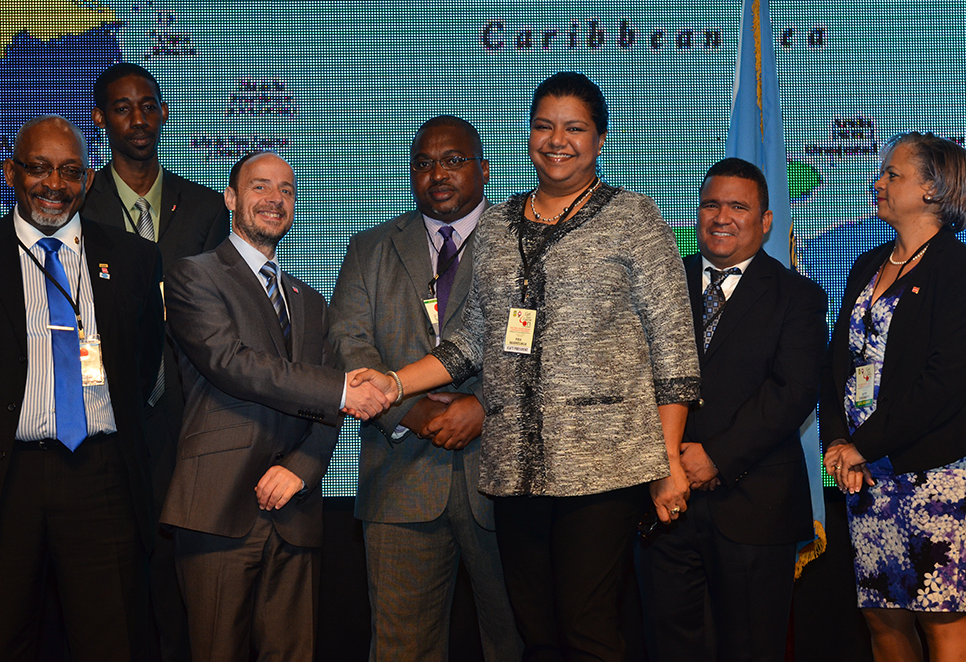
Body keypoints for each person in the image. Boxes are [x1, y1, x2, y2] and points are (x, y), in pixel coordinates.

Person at [349, 72, 700, 661]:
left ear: (600, 139)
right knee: (535, 635)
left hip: (604, 466)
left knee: (588, 631)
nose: (557, 140)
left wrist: (668, 463)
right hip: (514, 469)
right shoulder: (497, 225)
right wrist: (394, 382)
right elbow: (472, 340)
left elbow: (674, 351)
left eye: (574, 128)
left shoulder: (634, 219)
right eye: (544, 126)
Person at [160, 150, 388, 662]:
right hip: (217, 506)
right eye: (260, 186)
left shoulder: (310, 301)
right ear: (231, 198)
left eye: (286, 190)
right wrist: (341, 390)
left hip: (296, 512)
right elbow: (231, 363)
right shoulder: (193, 275)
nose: (275, 199)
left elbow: (328, 406)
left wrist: (302, 469)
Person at [0, 114, 164, 661]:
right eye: (39, 168)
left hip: (101, 478)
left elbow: (143, 364)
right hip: (3, 483)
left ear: (89, 179)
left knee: (113, 643)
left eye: (71, 171)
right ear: (11, 173)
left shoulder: (134, 259)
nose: (54, 184)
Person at [329, 115, 521, 662]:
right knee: (400, 649)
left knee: (517, 642)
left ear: (485, 169)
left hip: (503, 478)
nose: (438, 173)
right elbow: (347, 341)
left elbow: (541, 346)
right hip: (399, 479)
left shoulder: (520, 242)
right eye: (423, 163)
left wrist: (483, 408)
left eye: (454, 160)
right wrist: (406, 410)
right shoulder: (370, 247)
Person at [636, 157, 828, 662]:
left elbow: (793, 392)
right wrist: (667, 460)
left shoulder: (799, 296)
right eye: (711, 204)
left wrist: (714, 456)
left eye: (738, 207)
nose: (722, 217)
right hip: (663, 504)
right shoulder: (660, 285)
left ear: (766, 221)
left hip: (754, 509)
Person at [81, 61, 230, 662]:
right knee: (112, 575)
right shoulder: (79, 202)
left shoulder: (204, 208)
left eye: (148, 105)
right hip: (103, 410)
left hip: (185, 415)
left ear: (164, 113)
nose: (138, 118)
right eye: (122, 107)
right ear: (100, 119)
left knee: (178, 580)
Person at [822, 132, 966, 662]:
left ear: (932, 189)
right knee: (882, 618)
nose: (877, 181)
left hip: (934, 474)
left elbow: (945, 382)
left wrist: (863, 445)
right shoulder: (866, 264)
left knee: (940, 618)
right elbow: (837, 365)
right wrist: (838, 442)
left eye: (892, 174)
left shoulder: (956, 269)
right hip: (866, 476)